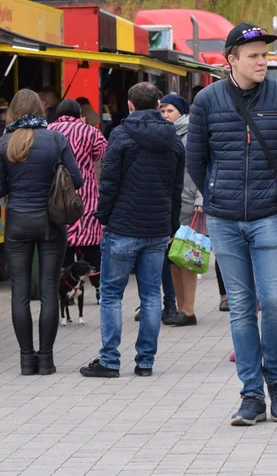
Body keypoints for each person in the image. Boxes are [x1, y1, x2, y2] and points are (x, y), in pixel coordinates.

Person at [187, 22, 277, 425]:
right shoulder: (206, 100)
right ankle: (251, 393)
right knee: (240, 307)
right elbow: (195, 160)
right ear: (231, 59)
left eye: (265, 55)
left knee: (272, 302)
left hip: (268, 215)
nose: (262, 62)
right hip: (223, 219)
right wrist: (219, 192)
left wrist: (269, 190)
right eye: (254, 55)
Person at [81, 83, 185, 378]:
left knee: (112, 293)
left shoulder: (121, 135)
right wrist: (171, 223)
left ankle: (110, 361)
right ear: (157, 104)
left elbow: (110, 179)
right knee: (152, 294)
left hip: (123, 226)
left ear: (129, 105)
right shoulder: (173, 138)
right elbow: (176, 187)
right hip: (157, 227)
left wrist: (102, 215)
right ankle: (146, 362)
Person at [0, 90, 82, 375]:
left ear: (13, 113)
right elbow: (76, 179)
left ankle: (26, 360)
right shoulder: (56, 140)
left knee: (19, 292)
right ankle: (47, 359)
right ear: (42, 111)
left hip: (17, 223)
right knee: (50, 289)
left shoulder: (5, 143)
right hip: (52, 222)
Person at [48, 98, 108, 290]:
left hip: (58, 195)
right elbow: (101, 153)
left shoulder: (48, 131)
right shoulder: (90, 131)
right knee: (91, 246)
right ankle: (99, 288)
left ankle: (65, 286)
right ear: (79, 114)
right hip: (86, 195)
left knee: (64, 244)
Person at [159, 94, 202, 327]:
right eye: (163, 111)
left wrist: (200, 197)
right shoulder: (164, 134)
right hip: (168, 203)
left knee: (187, 256)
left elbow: (202, 165)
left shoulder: (192, 133)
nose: (166, 116)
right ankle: (178, 307)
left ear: (182, 113)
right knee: (173, 258)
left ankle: (189, 309)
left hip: (188, 203)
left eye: (170, 111)